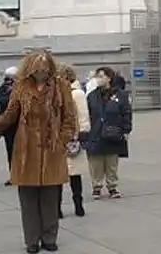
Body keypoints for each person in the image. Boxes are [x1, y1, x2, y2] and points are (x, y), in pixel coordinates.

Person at [0, 50, 77, 254]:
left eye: (45, 69)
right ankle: (32, 241)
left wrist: (62, 141)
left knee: (50, 199)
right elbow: (9, 117)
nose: (42, 72)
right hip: (25, 150)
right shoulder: (21, 87)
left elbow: (69, 118)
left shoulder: (60, 86)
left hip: (52, 150)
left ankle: (49, 238)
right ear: (30, 68)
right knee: (28, 200)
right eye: (37, 68)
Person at [86, 66, 132, 200]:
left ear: (109, 78)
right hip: (96, 132)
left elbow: (126, 113)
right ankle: (97, 187)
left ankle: (112, 187)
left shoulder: (120, 95)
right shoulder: (92, 96)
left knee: (111, 162)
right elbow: (87, 114)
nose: (98, 79)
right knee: (96, 162)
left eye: (101, 76)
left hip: (113, 132)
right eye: (97, 77)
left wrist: (126, 129)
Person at [60, 65, 90, 217]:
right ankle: (57, 208)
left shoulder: (77, 93)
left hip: (73, 138)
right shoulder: (55, 92)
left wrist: (82, 133)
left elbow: (83, 114)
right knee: (57, 175)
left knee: (74, 174)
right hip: (57, 139)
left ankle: (78, 204)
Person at [0, 66, 18, 186]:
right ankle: (13, 175)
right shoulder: (4, 87)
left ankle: (19, 175)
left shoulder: (20, 87)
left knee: (18, 152)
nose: (8, 80)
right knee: (10, 151)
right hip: (8, 125)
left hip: (18, 124)